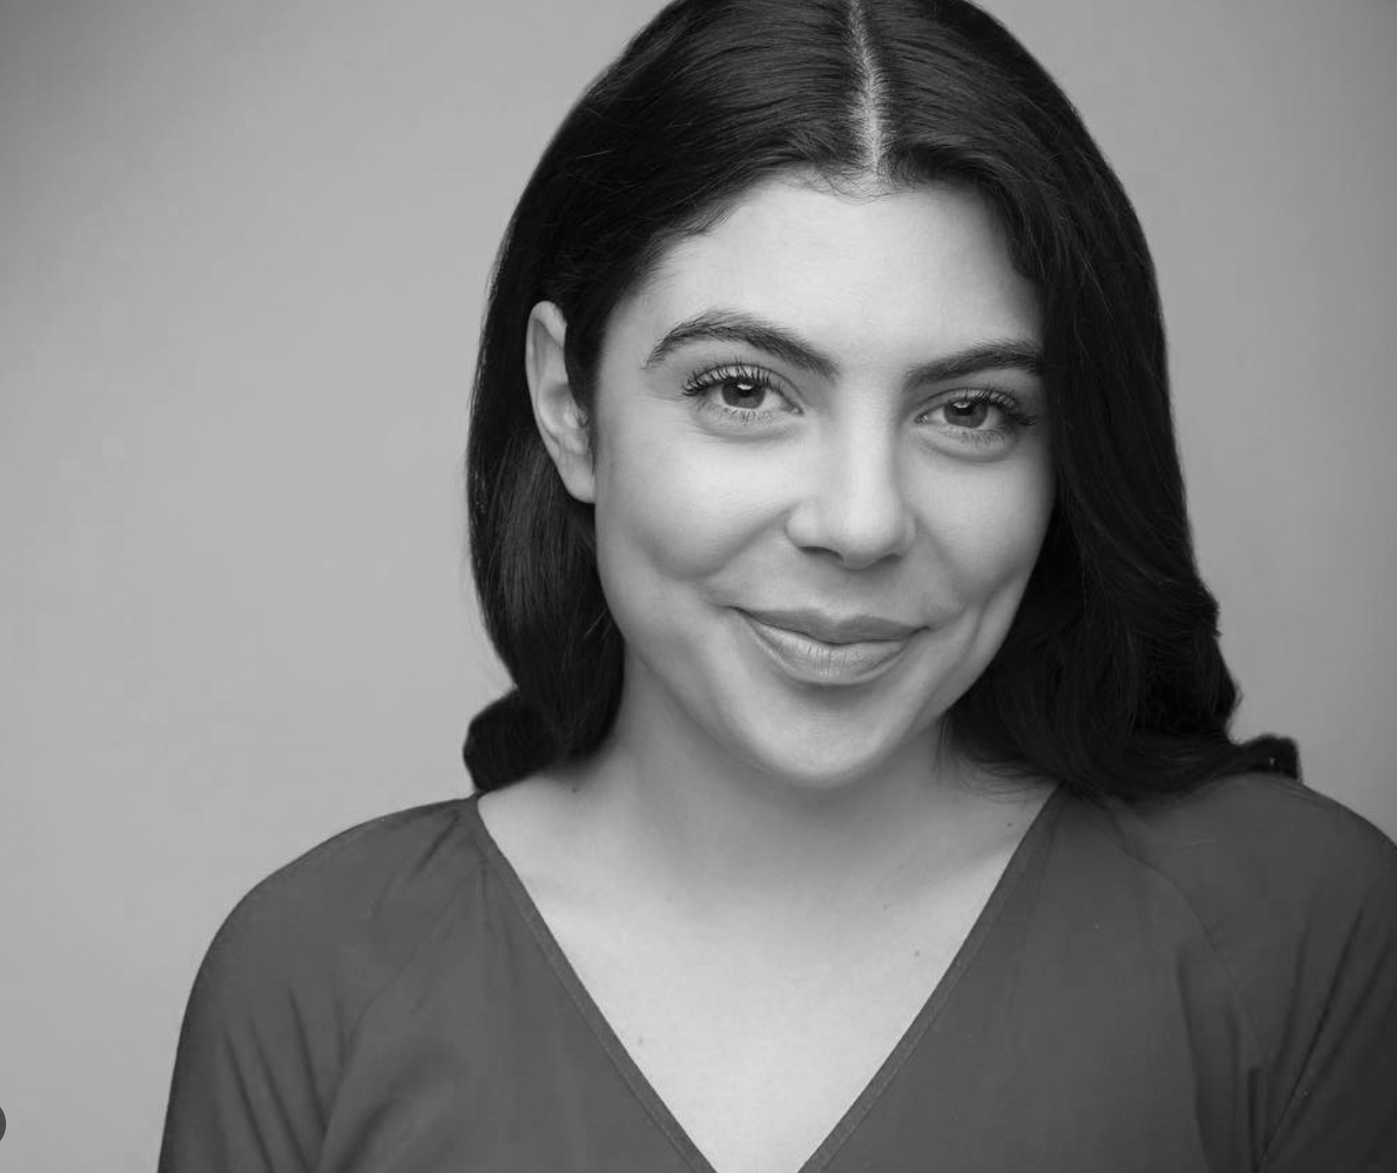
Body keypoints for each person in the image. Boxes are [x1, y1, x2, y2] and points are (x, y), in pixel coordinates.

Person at [157, 1, 1397, 1170]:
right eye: (743, 389)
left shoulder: (1303, 936)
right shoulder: (311, 983)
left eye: (969, 410)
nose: (860, 522)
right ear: (568, 405)